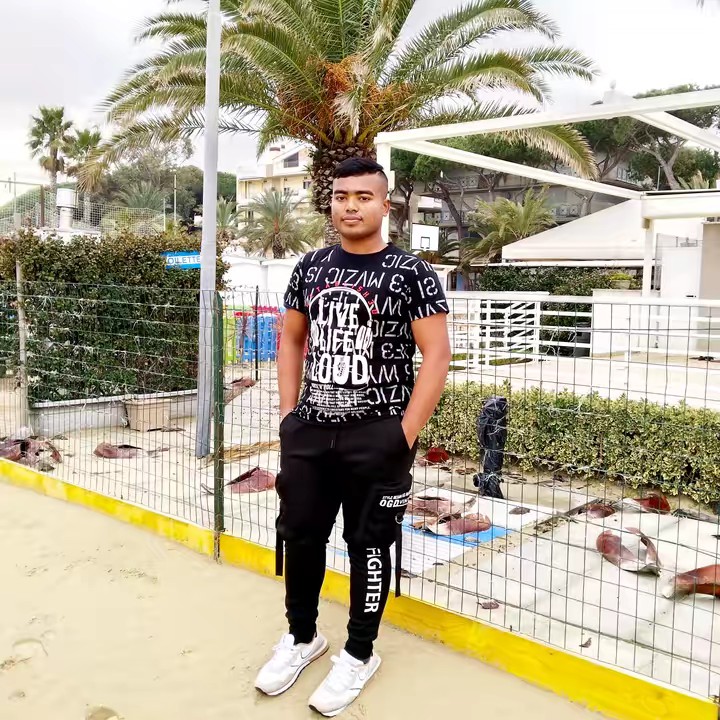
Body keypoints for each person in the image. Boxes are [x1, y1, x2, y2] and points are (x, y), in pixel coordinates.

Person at [255, 157, 451, 717]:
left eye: (364, 196)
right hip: (310, 433)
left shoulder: (411, 274)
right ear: (331, 202)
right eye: (342, 196)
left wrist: (404, 433)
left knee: (369, 543)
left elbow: (437, 355)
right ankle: (302, 637)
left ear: (385, 205)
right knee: (301, 534)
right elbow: (291, 340)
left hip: (378, 436)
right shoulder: (311, 266)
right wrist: (289, 414)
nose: (350, 205)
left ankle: (359, 652)